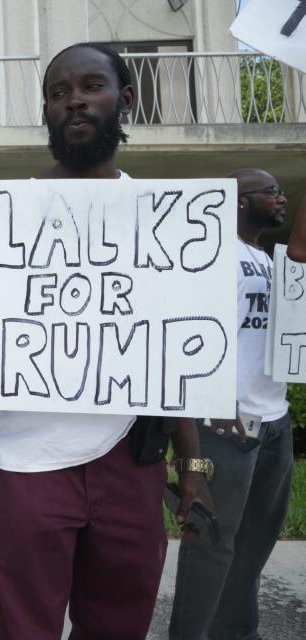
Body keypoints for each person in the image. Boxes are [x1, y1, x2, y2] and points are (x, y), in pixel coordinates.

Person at [0, 42, 213, 640]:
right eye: (58, 94)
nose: (75, 101)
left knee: (120, 621)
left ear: (125, 100)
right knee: (21, 626)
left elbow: (172, 355)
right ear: (48, 111)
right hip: (32, 463)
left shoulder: (163, 220)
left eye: (91, 86)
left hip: (131, 461)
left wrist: (193, 464)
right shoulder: (1, 217)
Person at [168, 169, 294, 640]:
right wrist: (195, 443)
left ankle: (238, 633)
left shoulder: (265, 258)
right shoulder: (211, 256)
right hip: (226, 425)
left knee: (255, 543)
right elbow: (184, 342)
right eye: (272, 192)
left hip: (274, 423)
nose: (281, 198)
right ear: (240, 201)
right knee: (212, 545)